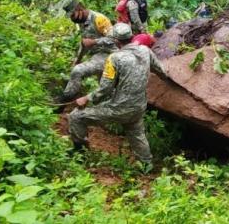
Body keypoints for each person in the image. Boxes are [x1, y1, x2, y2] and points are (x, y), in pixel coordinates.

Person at [68, 23, 165, 168]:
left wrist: (87, 98)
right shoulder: (145, 51)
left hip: (120, 108)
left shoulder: (114, 58)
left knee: (76, 117)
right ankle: (146, 164)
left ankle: (80, 155)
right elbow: (161, 71)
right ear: (131, 36)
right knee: (136, 132)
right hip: (139, 107)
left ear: (116, 41)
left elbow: (105, 89)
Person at [57, 0, 115, 104]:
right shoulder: (82, 22)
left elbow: (114, 39)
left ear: (79, 9)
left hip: (109, 54)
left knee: (78, 70)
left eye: (72, 15)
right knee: (105, 87)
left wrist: (94, 42)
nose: (71, 18)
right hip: (96, 56)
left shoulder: (99, 19)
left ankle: (63, 101)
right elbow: (84, 42)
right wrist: (78, 59)